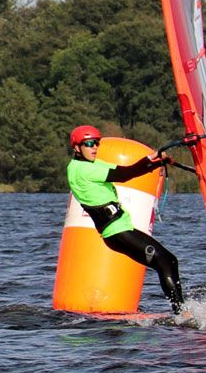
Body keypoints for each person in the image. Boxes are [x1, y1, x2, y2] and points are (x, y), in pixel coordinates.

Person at [66, 125, 184, 311]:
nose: (94, 147)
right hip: (117, 231)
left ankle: (181, 312)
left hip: (120, 229)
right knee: (166, 261)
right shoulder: (80, 169)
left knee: (167, 262)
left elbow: (126, 169)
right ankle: (182, 314)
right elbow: (124, 175)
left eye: (96, 143)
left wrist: (154, 162)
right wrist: (152, 161)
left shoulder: (93, 164)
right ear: (77, 148)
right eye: (89, 144)